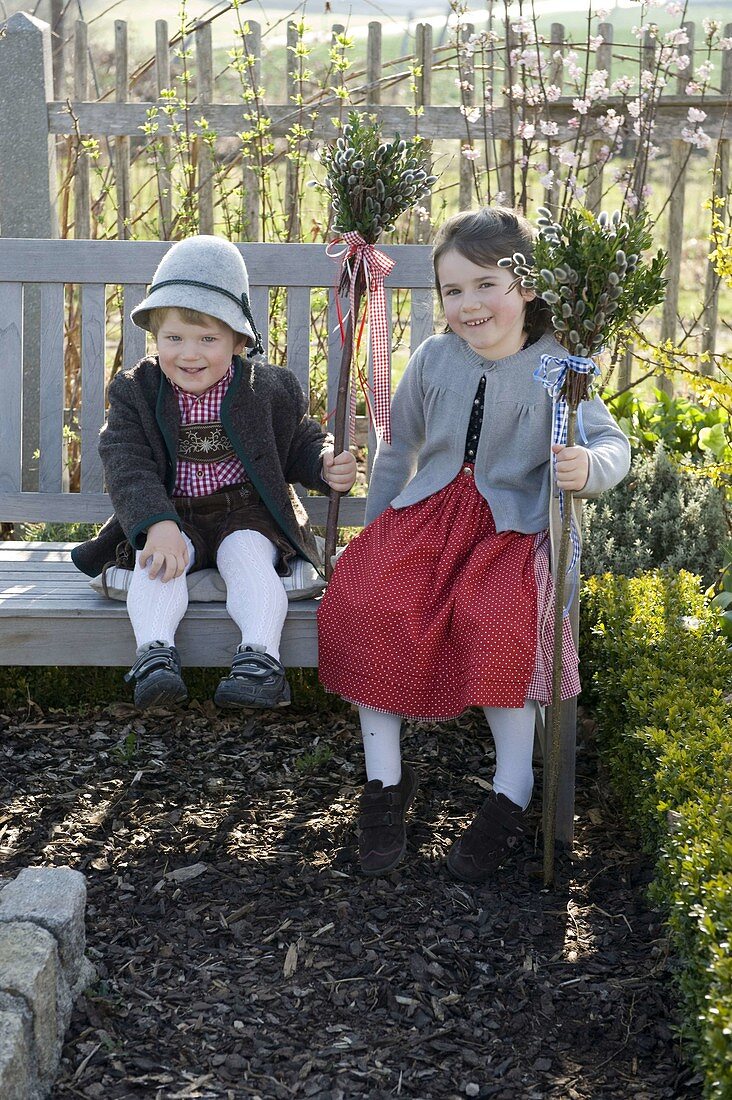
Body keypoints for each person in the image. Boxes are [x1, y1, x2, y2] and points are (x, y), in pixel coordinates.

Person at [317, 206, 630, 881]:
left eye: (486, 284)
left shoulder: (560, 366)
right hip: (428, 515)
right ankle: (384, 780)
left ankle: (511, 788)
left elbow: (612, 443)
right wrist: (377, 530)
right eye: (452, 291)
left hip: (511, 529)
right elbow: (397, 447)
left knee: (499, 620)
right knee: (370, 596)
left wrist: (588, 466)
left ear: (528, 288)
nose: (469, 304)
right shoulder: (434, 358)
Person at [72, 235, 356, 710]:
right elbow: (126, 462)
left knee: (248, 558)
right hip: (170, 512)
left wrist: (324, 462)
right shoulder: (136, 390)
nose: (189, 354)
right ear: (155, 337)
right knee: (157, 562)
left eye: (208, 339)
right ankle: (155, 656)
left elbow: (299, 441)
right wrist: (156, 523)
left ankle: (260, 661)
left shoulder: (266, 387)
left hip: (245, 510)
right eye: (174, 338)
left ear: (239, 341)